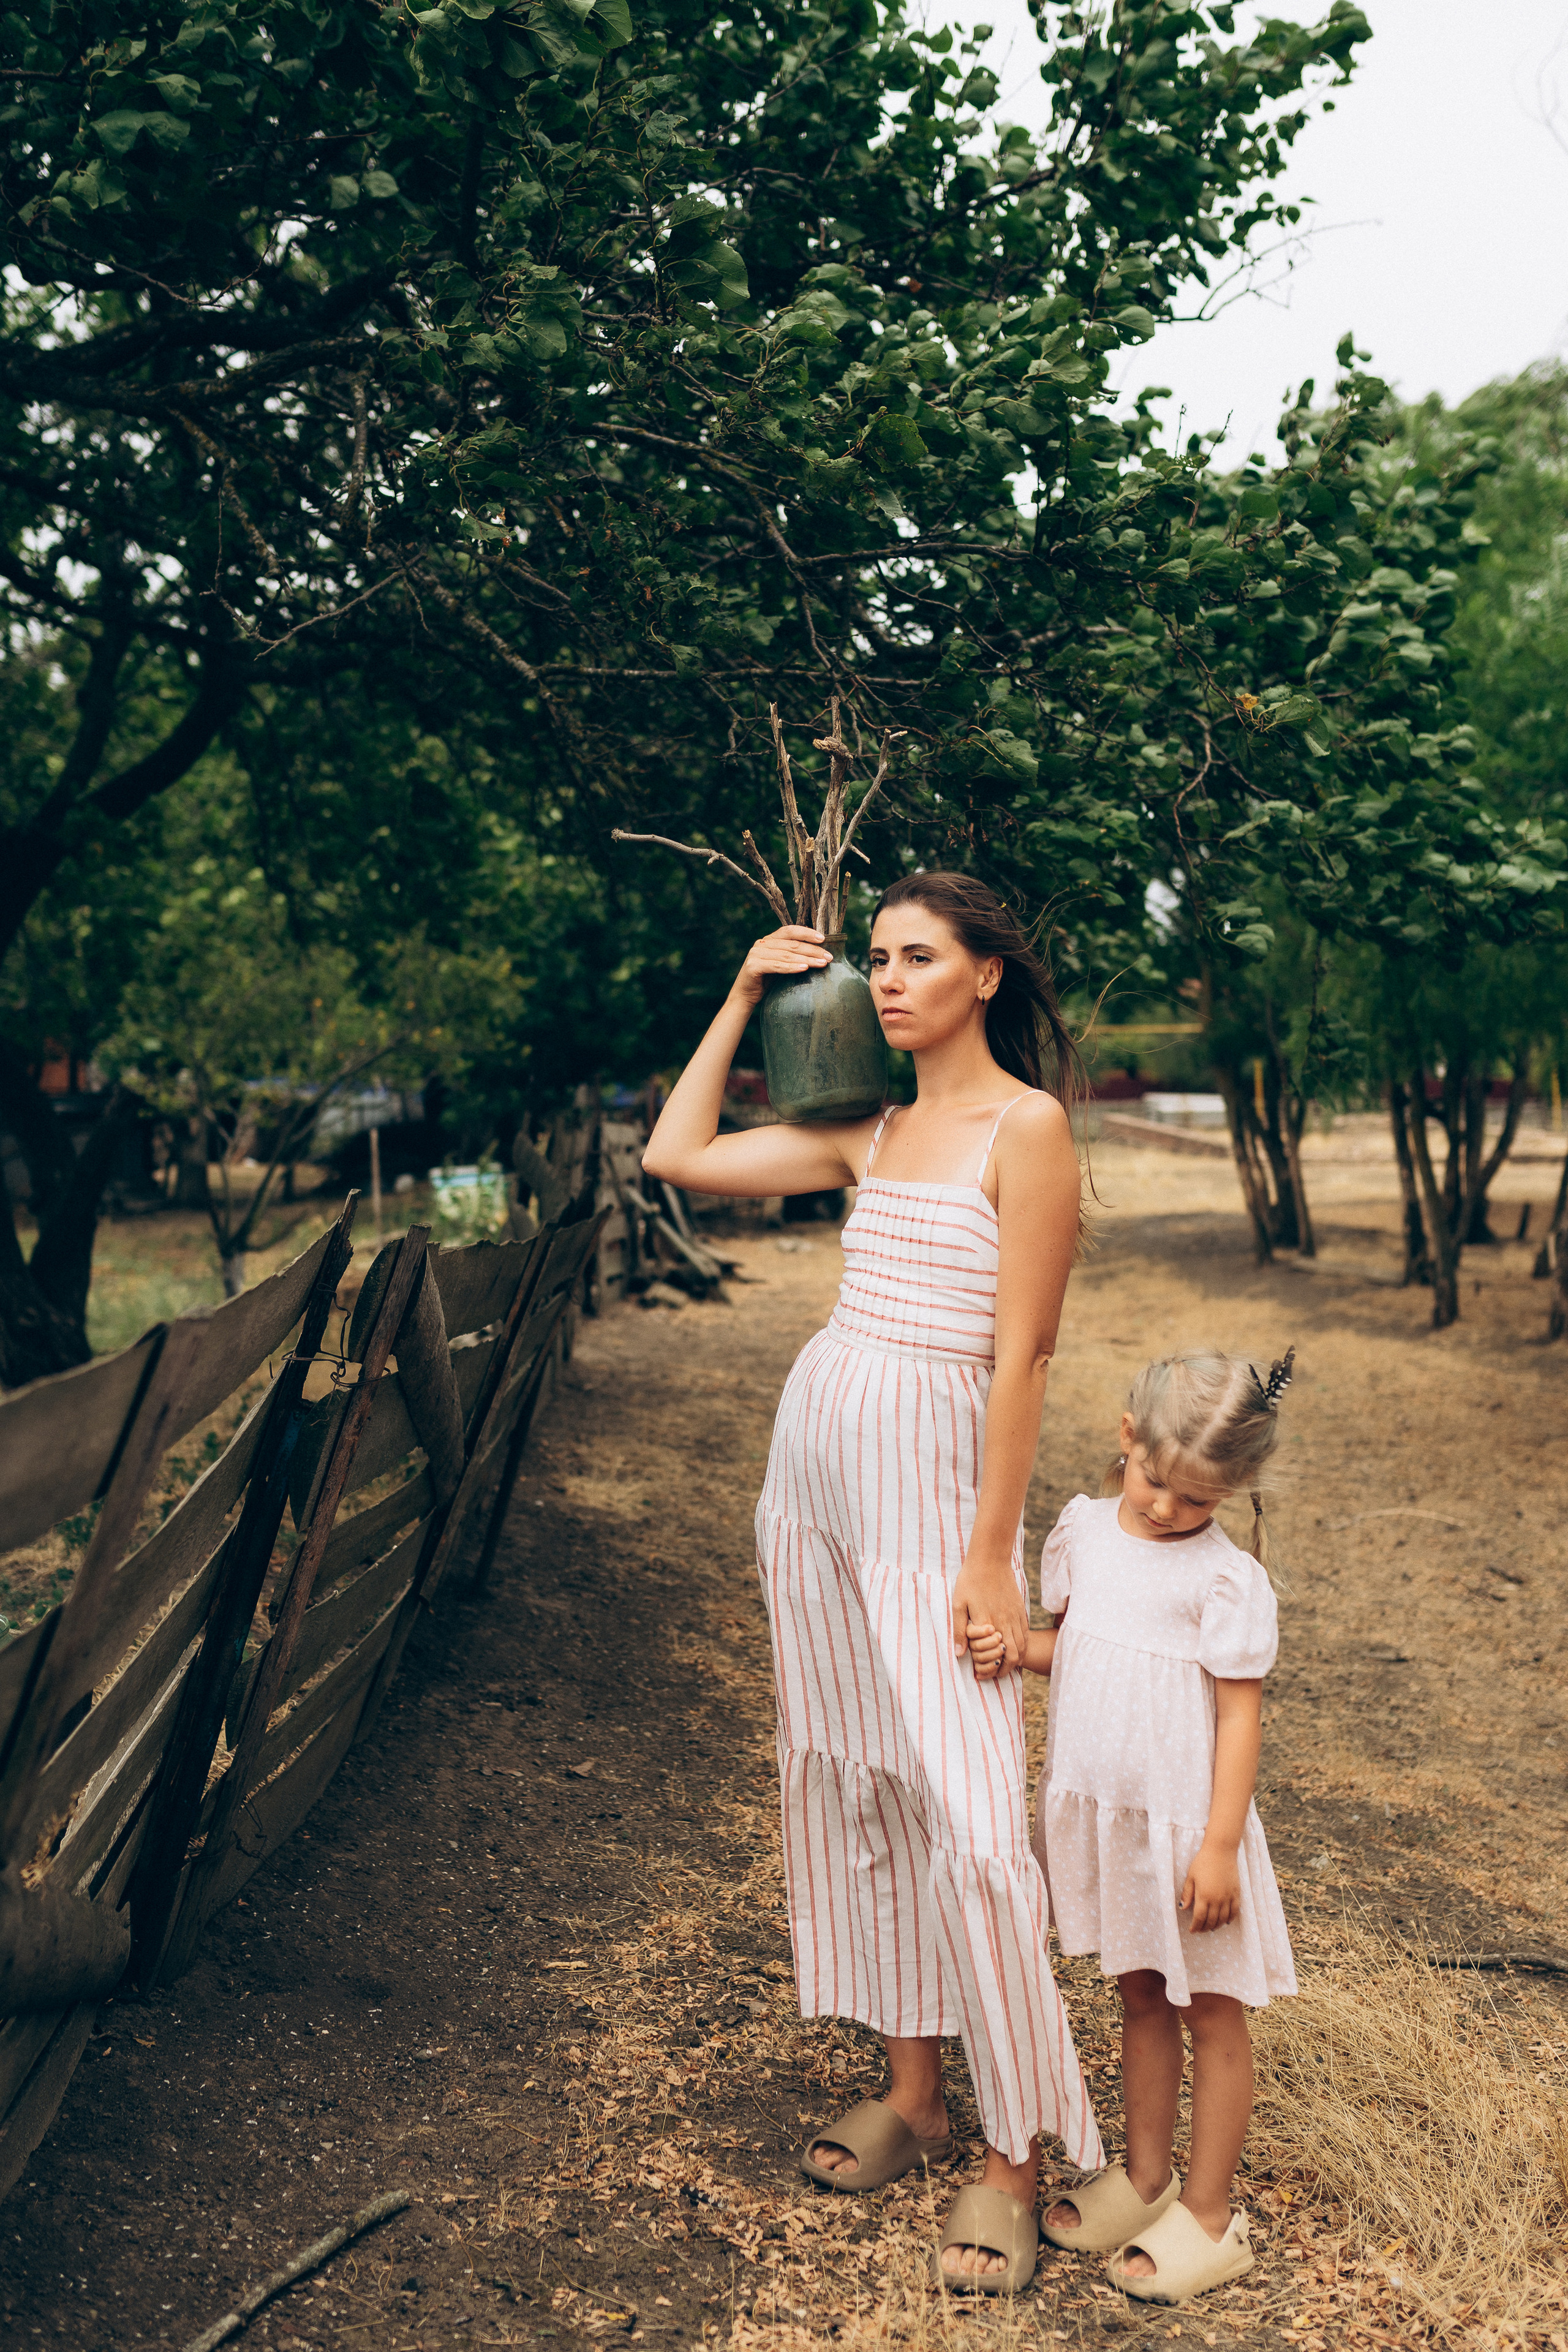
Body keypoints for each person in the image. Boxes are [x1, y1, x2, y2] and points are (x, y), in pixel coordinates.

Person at [643, 872, 1102, 2295]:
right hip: (817, 1491)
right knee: (859, 1784)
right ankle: (912, 2091)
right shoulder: (869, 1126)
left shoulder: (1027, 1132)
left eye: (919, 958)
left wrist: (987, 1557)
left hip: (935, 1506)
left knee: (970, 1815)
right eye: (878, 961)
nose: (887, 981)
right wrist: (738, 995)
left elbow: (1020, 1358)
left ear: (985, 975)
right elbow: (675, 1153)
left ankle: (1015, 2152)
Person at [967, 1348, 1298, 2306]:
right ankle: (1146, 2176)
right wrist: (1011, 1649)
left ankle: (1205, 2211)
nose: (1164, 1510)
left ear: (1230, 1494)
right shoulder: (1082, 1532)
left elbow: (1240, 1716)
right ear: (1129, 1439)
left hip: (1188, 1838)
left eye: (1195, 1502)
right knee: (1141, 1995)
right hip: (1112, 1825)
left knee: (1214, 2012)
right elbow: (1074, 1648)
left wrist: (1221, 1845)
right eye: (1156, 1482)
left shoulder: (1226, 1580)